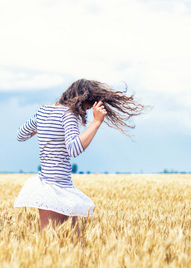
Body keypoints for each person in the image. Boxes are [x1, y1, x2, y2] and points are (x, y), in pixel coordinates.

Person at [14, 79, 145, 231]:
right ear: (81, 100)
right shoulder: (68, 114)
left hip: (45, 185)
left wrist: (46, 128)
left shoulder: (43, 112)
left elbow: (20, 135)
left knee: (51, 241)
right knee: (72, 242)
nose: (85, 111)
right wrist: (96, 122)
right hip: (59, 187)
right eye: (87, 107)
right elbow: (73, 149)